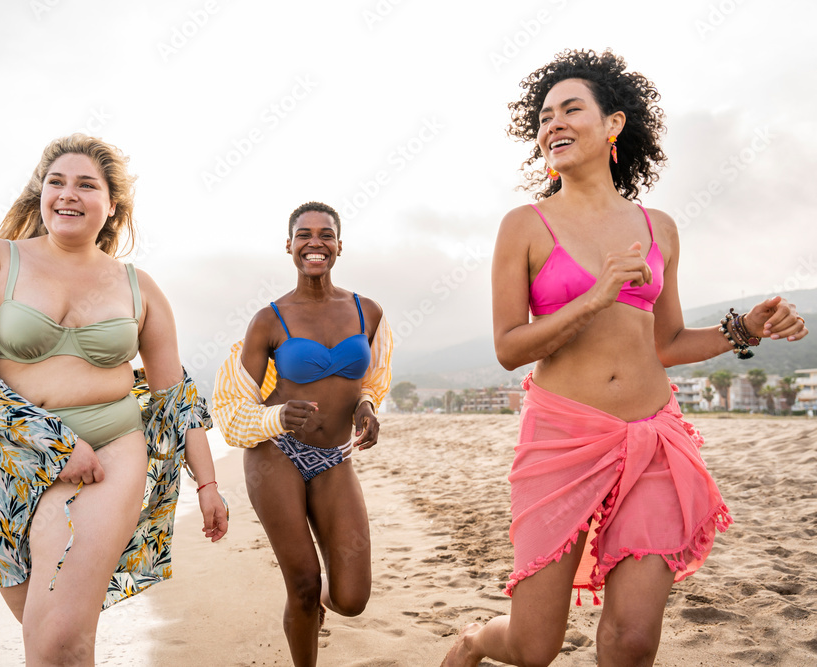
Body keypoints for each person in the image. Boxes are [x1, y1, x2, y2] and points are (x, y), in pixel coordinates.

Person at [442, 50, 808, 667]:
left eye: (570, 109)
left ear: (613, 125)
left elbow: (664, 345)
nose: (553, 123)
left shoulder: (658, 227)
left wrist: (746, 329)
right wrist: (593, 298)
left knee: (632, 641)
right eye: (544, 115)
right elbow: (509, 348)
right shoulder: (524, 226)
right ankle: (475, 640)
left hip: (653, 440)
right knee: (534, 649)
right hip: (561, 438)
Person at [0, 133, 228, 666]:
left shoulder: (139, 287)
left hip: (110, 452)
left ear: (112, 205)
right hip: (8, 458)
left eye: (86, 185)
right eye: (56, 182)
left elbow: (175, 397)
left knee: (60, 639)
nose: (68, 194)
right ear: (40, 194)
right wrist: (54, 444)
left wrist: (207, 484)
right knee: (51, 640)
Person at [212, 201, 393, 667]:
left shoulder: (367, 311)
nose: (316, 242)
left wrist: (367, 407)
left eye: (326, 234)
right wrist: (275, 419)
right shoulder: (269, 320)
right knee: (305, 585)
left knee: (352, 598)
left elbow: (373, 379)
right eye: (304, 235)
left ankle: (315, 610)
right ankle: (306, 625)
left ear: (339, 245)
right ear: (289, 246)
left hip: (335, 457)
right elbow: (231, 410)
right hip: (277, 456)